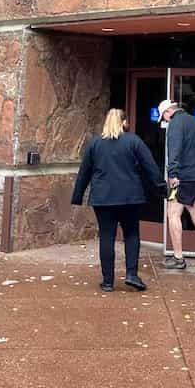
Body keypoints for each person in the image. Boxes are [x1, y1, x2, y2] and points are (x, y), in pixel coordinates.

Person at [71, 108, 165, 292]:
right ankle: (131, 274)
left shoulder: (95, 144)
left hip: (103, 198)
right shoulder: (133, 141)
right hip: (130, 197)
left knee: (106, 237)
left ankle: (107, 281)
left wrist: (77, 196)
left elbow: (84, 172)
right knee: (132, 234)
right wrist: (161, 188)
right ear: (124, 122)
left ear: (106, 122)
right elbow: (150, 166)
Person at [159, 98, 195, 270]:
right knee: (192, 204)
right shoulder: (193, 121)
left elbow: (174, 150)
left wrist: (172, 174)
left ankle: (178, 258)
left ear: (168, 112)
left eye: (164, 118)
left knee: (173, 213)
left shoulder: (175, 124)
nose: (165, 121)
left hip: (185, 175)